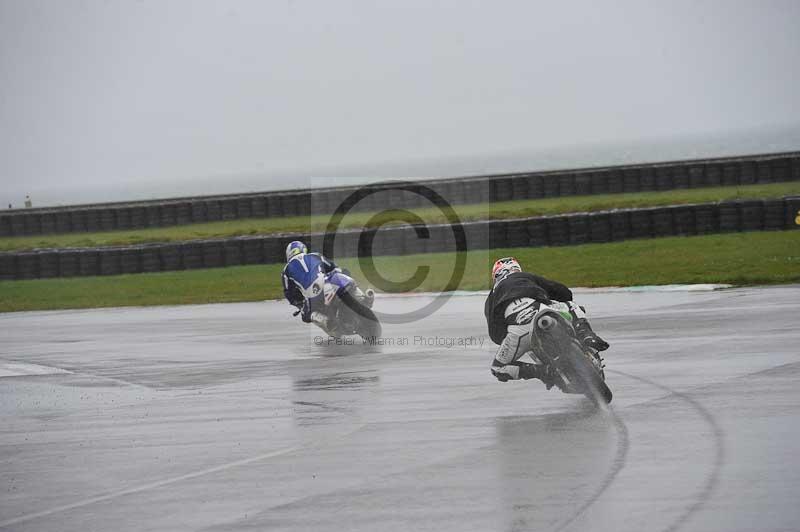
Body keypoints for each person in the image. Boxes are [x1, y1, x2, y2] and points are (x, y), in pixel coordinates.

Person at [484, 257, 609, 387]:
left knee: (497, 368)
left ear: (496, 275)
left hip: (518, 330)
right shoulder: (523, 276)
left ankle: (545, 372)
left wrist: (509, 340)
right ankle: (587, 335)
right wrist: (560, 299)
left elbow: (495, 335)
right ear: (516, 269)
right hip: (542, 309)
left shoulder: (490, 299)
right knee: (572, 306)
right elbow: (561, 291)